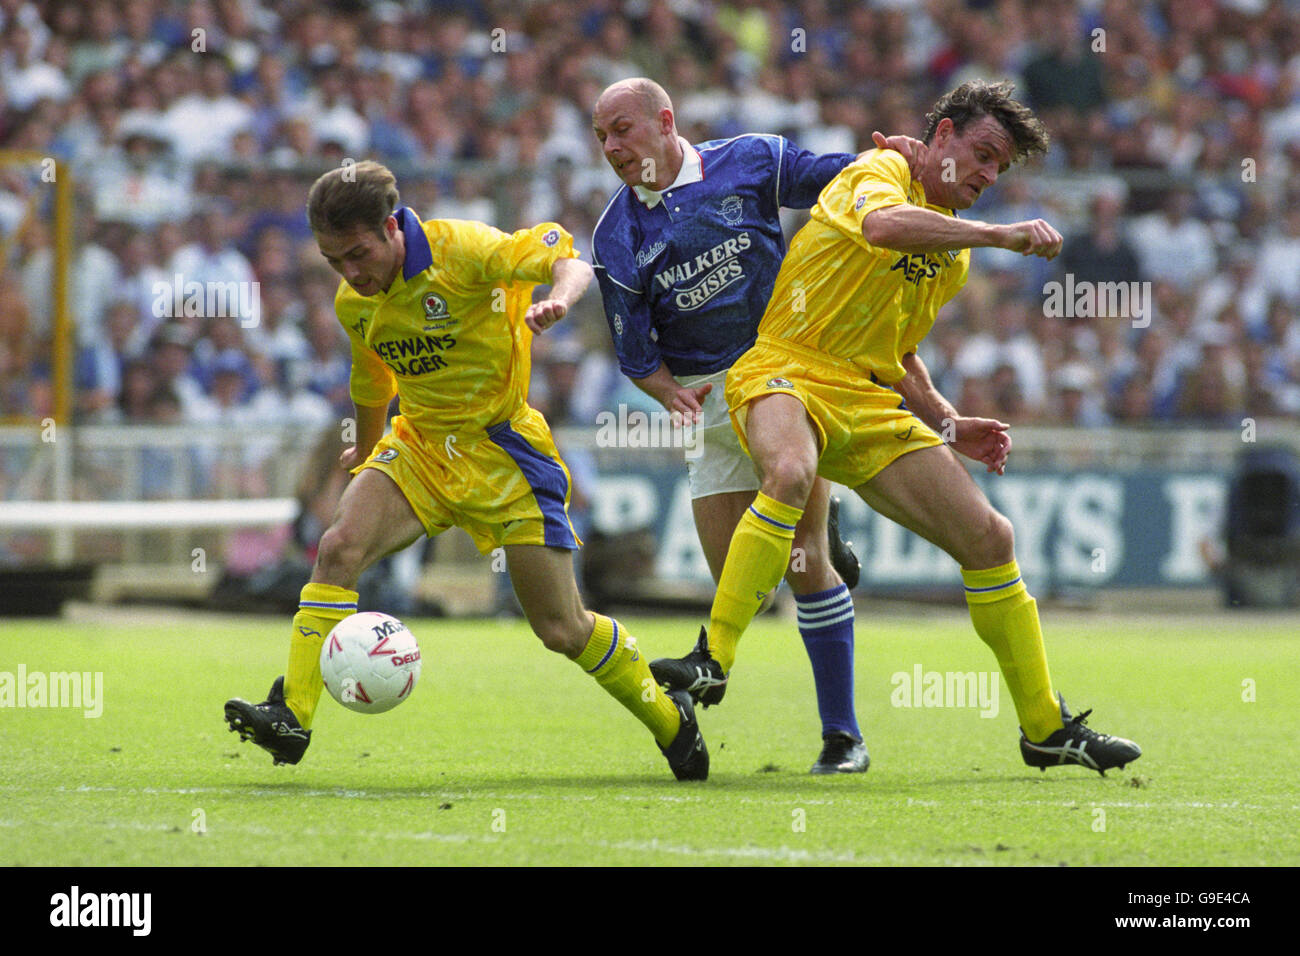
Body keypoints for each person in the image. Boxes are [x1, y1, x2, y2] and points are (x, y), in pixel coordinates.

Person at [652, 80, 1141, 775]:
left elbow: (899, 350)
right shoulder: (877, 172)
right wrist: (1000, 234)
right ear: (940, 136)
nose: (986, 175)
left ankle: (1044, 728)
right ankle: (713, 660)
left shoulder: (954, 255)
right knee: (790, 474)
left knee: (990, 536)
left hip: (863, 397)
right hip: (786, 367)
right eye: (980, 153)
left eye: (998, 168)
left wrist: (946, 419)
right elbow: (883, 227)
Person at [225, 160, 708, 781]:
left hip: (505, 453)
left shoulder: (466, 250)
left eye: (358, 254)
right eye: (333, 262)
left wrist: (558, 299)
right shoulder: (356, 301)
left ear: (393, 227)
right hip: (422, 447)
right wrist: (367, 450)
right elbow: (370, 379)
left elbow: (568, 258)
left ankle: (672, 718)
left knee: (562, 628)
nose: (349, 273)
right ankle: (292, 715)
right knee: (338, 548)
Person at [589, 78, 925, 774]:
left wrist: (892, 161)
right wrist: (666, 394)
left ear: (664, 119)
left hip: (787, 375)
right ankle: (818, 526)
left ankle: (843, 737)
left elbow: (834, 178)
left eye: (622, 129)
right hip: (710, 401)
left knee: (806, 564)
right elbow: (634, 351)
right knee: (747, 587)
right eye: (602, 138)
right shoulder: (615, 236)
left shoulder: (750, 160)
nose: (613, 147)